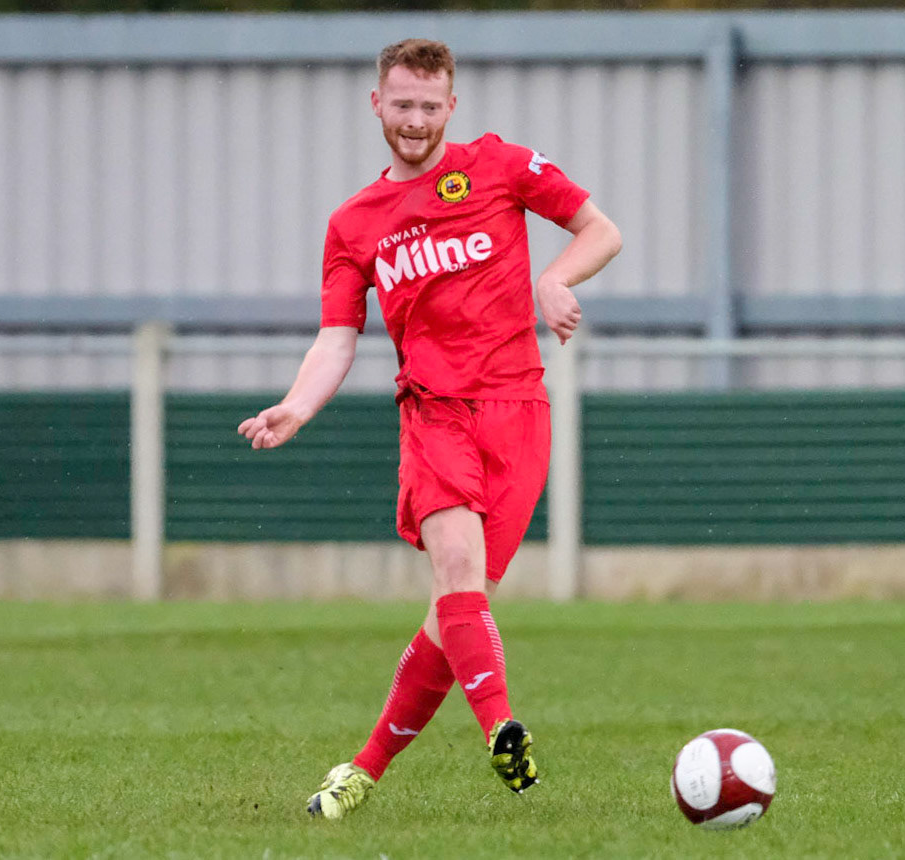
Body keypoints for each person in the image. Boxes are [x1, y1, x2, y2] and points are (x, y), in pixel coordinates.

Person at [237, 38, 621, 819]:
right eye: (401, 105)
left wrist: (553, 278)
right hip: (432, 410)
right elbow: (337, 337)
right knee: (454, 569)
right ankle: (501, 728)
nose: (415, 120)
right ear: (376, 104)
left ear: (452, 105)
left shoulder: (504, 166)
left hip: (518, 411)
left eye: (429, 106)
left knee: (452, 614)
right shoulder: (353, 222)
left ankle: (359, 772)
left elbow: (600, 231)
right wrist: (296, 405)